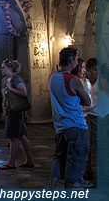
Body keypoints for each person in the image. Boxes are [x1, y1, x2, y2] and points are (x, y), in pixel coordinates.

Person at [49, 47, 91, 188]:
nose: (78, 62)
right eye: (77, 59)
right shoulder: (73, 80)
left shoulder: (52, 77)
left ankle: (52, 188)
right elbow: (88, 101)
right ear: (71, 59)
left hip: (60, 127)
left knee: (59, 158)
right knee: (76, 162)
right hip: (76, 125)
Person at [0, 59, 34, 170]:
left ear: (10, 68)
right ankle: (29, 160)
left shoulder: (16, 79)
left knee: (14, 137)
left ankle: (11, 162)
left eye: (3, 67)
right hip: (10, 110)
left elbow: (24, 92)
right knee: (21, 136)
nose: (2, 69)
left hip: (16, 112)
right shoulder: (6, 80)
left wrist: (11, 89)